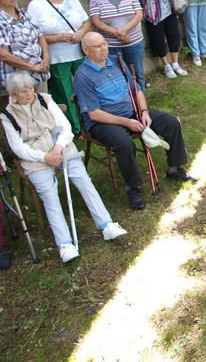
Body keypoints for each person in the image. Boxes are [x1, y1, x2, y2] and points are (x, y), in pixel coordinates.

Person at [1, 72, 128, 263]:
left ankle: (106, 224)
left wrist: (57, 148)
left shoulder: (44, 99)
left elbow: (65, 127)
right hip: (35, 158)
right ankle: (65, 244)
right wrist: (44, 156)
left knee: (83, 180)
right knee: (49, 196)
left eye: (31, 88)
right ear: (13, 95)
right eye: (23, 91)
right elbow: (18, 148)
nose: (29, 93)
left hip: (61, 147)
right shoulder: (7, 115)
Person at [74, 32, 195, 210]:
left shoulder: (117, 62)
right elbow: (94, 114)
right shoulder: (83, 75)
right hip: (104, 122)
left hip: (133, 112)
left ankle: (175, 168)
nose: (104, 48)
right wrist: (126, 122)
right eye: (98, 46)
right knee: (124, 143)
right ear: (85, 50)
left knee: (171, 122)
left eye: (105, 44)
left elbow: (137, 90)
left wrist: (144, 112)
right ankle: (134, 188)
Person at [27, 0, 91, 134]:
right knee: (64, 93)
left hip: (79, 52)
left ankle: (93, 120)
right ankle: (74, 128)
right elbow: (34, 35)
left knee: (88, 87)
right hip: (57, 56)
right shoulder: (36, 5)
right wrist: (57, 38)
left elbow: (86, 21)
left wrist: (81, 33)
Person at [88, 0, 147, 90]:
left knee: (137, 74)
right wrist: (118, 34)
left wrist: (124, 30)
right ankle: (125, 100)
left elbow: (139, 14)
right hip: (112, 46)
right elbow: (96, 22)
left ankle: (141, 100)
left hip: (133, 42)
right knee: (118, 77)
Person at [0, 0, 51, 100]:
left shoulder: (23, 14)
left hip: (39, 72)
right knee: (24, 109)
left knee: (44, 105)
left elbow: (40, 35)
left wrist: (46, 58)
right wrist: (32, 67)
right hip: (19, 80)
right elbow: (3, 55)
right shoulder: (2, 22)